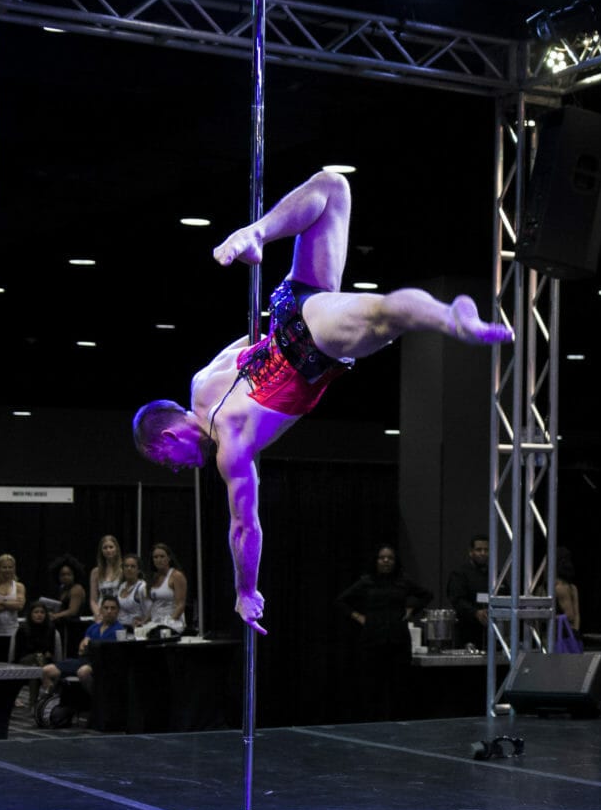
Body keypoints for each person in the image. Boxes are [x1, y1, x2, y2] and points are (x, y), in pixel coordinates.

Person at [132, 171, 512, 635]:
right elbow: (247, 340)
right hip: (293, 309)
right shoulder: (200, 382)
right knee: (333, 187)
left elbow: (244, 529)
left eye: (165, 459)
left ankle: (453, 322)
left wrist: (245, 590)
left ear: (168, 436)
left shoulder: (231, 449)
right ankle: (258, 232)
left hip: (308, 351)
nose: (175, 467)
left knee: (382, 317)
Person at [337, 544, 432, 720]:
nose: (386, 561)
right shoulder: (367, 581)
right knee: (372, 684)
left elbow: (426, 595)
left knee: (399, 684)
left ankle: (398, 720)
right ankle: (372, 720)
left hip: (398, 639)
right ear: (376, 561)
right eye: (382, 558)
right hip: (373, 638)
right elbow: (342, 601)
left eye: (390, 558)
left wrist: (412, 609)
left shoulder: (403, 581)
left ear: (395, 561)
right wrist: (359, 617)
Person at [36, 595, 132, 726]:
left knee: (83, 672)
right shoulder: (93, 628)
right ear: (101, 610)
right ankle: (49, 703)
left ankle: (98, 704)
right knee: (46, 670)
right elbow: (81, 648)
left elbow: (114, 655)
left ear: (117, 611)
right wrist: (84, 646)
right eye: (106, 608)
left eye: (113, 608)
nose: (109, 611)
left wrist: (89, 647)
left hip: (101, 663)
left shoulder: (119, 630)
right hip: (84, 659)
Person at [443, 534, 491, 648]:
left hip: (491, 632)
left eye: (486, 550)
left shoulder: (496, 575)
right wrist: (476, 612)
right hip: (467, 630)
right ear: (471, 552)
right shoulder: (460, 574)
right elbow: (456, 599)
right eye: (479, 550)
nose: (483, 553)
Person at [145, 541, 189, 635]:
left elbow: (180, 604)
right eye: (155, 557)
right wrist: (144, 621)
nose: (159, 560)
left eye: (162, 556)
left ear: (168, 558)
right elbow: (153, 605)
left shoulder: (176, 576)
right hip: (155, 621)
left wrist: (168, 622)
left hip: (172, 622)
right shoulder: (154, 578)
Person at [112, 554, 151, 630]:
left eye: (133, 566)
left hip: (137, 630)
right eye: (126, 566)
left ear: (138, 570)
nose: (129, 569)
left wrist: (143, 623)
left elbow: (151, 611)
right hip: (120, 629)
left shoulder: (142, 588)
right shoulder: (121, 586)